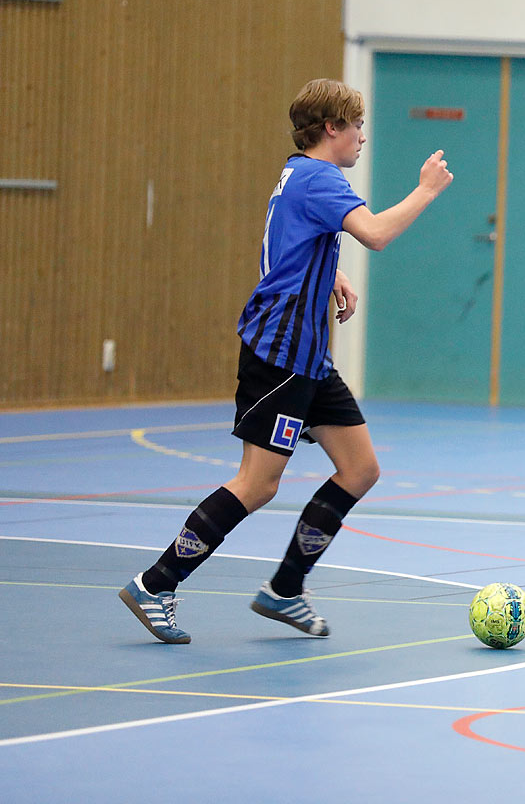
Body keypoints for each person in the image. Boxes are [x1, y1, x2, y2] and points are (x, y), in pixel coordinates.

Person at [118, 78, 453, 643]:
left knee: (360, 469)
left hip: (309, 356)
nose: (362, 138)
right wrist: (425, 191)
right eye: (357, 127)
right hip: (281, 354)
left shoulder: (298, 172)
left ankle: (285, 590)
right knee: (258, 482)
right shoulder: (322, 177)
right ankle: (157, 583)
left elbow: (288, 244)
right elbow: (373, 234)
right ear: (331, 128)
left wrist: (331, 273)